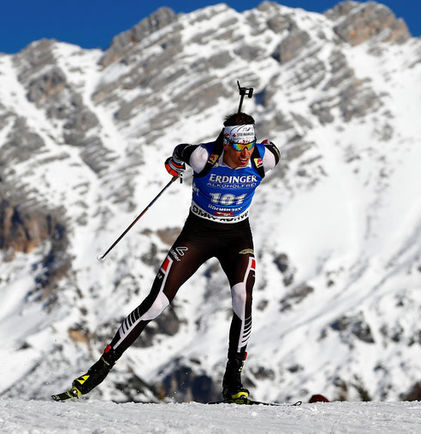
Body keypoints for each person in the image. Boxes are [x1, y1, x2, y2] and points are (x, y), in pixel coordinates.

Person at [53, 112, 280, 404]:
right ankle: (97, 372)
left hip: (236, 236)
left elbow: (272, 149)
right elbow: (179, 151)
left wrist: (263, 146)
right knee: (156, 303)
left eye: (249, 147)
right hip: (198, 234)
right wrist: (173, 163)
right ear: (226, 143)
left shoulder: (264, 159)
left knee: (242, 298)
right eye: (239, 148)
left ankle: (233, 383)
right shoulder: (203, 157)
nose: (245, 154)